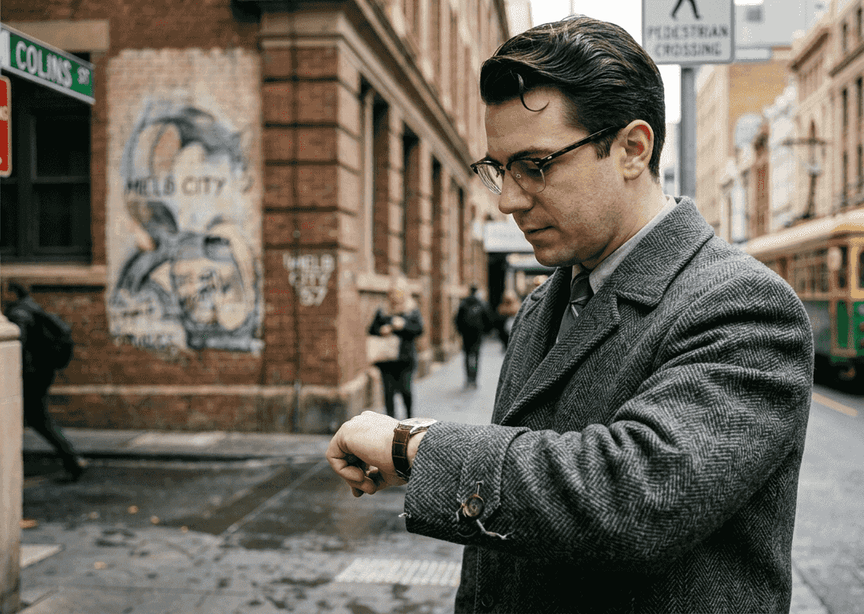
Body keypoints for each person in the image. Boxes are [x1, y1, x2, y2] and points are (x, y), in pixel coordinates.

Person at [328, 16, 812, 614]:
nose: (508, 200)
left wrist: (415, 447)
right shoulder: (544, 303)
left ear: (632, 149)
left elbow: (635, 498)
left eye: (535, 165)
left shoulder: (745, 305)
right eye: (499, 169)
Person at [5, 284, 87, 482]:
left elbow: (18, 346)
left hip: (30, 375)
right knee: (36, 418)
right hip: (43, 372)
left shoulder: (19, 314)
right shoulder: (32, 306)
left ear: (11, 294)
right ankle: (71, 459)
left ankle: (71, 459)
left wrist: (15, 373)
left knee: (36, 418)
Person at [368, 278, 424, 419]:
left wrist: (404, 326)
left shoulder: (411, 310)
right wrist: (381, 330)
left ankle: (409, 417)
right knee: (388, 393)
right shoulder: (383, 311)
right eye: (392, 293)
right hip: (387, 359)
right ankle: (390, 420)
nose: (395, 296)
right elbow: (371, 329)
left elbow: (419, 329)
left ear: (405, 293)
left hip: (405, 358)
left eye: (398, 293)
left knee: (406, 390)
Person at [454, 285, 492, 388]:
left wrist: (460, 331)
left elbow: (457, 319)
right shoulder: (481, 303)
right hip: (477, 334)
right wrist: (485, 331)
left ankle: (468, 378)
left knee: (467, 355)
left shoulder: (464, 303)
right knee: (476, 355)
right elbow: (487, 319)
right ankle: (474, 379)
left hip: (466, 334)